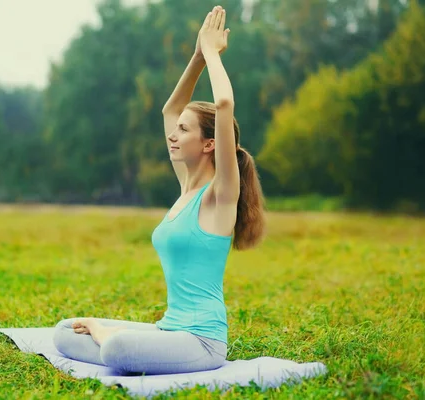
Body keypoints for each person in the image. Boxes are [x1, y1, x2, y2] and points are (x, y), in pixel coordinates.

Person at [53, 5, 266, 376]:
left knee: (116, 347)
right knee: (64, 332)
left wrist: (214, 53)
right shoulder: (185, 187)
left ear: (209, 144)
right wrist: (198, 55)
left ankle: (113, 339)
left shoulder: (220, 195)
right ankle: (117, 341)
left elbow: (224, 104)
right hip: (170, 330)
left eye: (184, 130)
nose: (172, 134)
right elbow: (171, 107)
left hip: (202, 342)